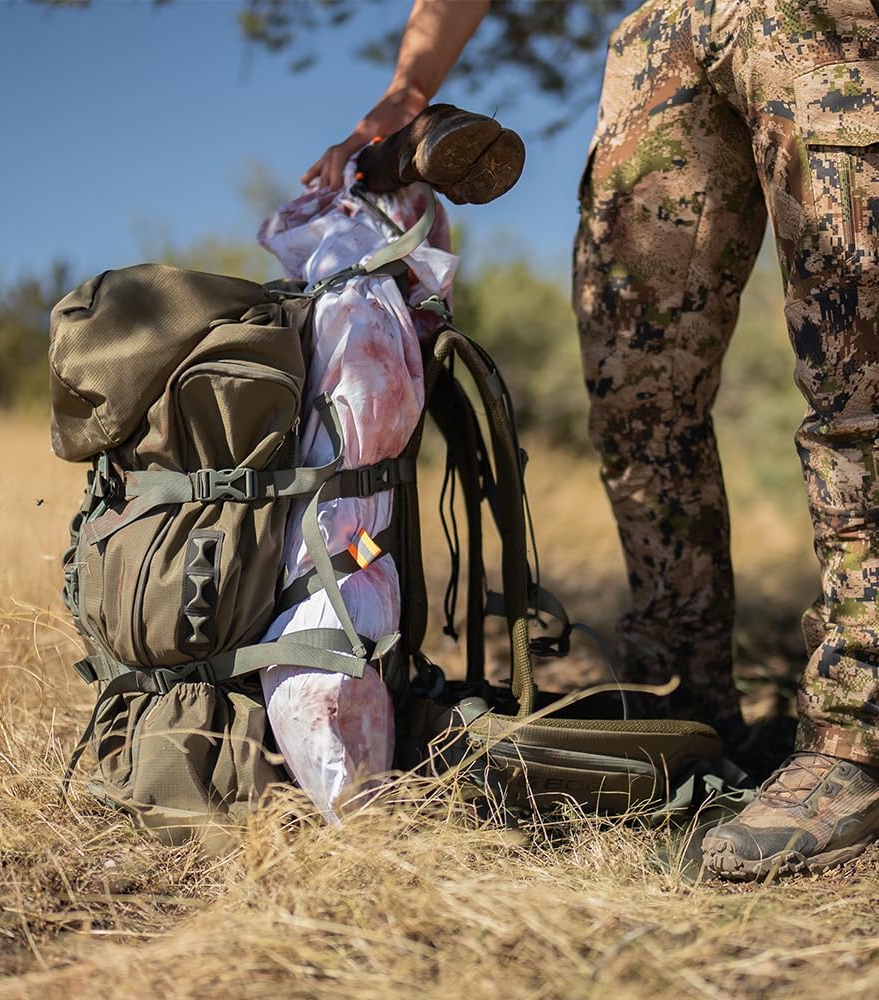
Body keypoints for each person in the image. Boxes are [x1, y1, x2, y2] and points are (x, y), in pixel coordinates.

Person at [306, 0, 879, 880]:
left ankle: (859, 734)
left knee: (859, 377)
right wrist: (409, 87)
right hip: (660, 34)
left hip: (816, 18)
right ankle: (690, 715)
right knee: (636, 400)